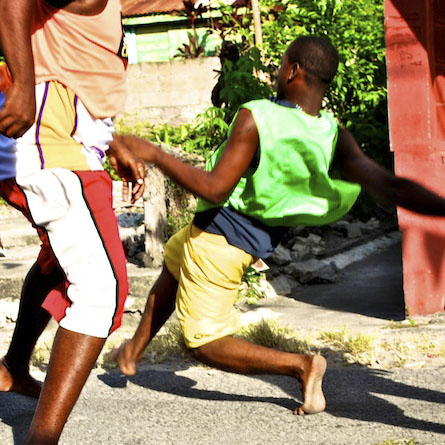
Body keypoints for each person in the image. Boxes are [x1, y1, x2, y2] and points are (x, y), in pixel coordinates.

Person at [111, 35, 445, 416]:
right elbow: (390, 185)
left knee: (201, 341)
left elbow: (215, 188)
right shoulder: (330, 134)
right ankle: (133, 350)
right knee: (175, 258)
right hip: (235, 240)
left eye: (281, 63)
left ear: (293, 70)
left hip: (220, 238)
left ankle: (300, 366)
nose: (276, 71)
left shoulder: (256, 117)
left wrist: (153, 152)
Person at [0, 1, 144, 443]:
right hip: (47, 135)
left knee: (59, 261)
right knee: (103, 290)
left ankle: (12, 369)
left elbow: (82, 66)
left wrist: (111, 139)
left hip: (72, 136)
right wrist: (23, 82)